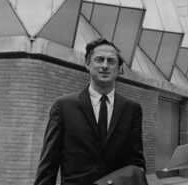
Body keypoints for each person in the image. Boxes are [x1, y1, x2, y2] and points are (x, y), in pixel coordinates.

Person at [34, 38, 146, 185]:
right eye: (99, 60)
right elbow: (48, 164)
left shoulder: (132, 109)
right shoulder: (63, 107)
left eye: (111, 61)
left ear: (119, 68)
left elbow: (136, 162)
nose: (105, 65)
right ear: (87, 64)